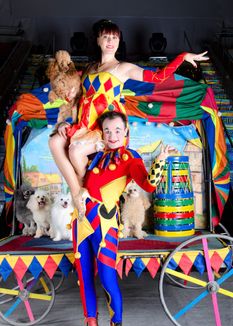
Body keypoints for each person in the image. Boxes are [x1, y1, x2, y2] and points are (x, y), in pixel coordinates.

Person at [48, 19, 209, 214]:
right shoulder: (90, 68)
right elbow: (78, 99)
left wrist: (182, 57)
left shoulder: (123, 68)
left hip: (105, 129)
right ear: (97, 40)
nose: (110, 41)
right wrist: (66, 122)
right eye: (105, 36)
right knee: (55, 142)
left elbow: (157, 78)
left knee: (75, 151)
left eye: (114, 37)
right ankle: (77, 191)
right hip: (83, 124)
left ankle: (87, 193)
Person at [71, 111, 175, 326]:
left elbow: (148, 183)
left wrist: (161, 160)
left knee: (107, 276)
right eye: (107, 130)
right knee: (84, 276)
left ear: (126, 131)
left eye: (118, 130)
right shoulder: (96, 154)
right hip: (80, 222)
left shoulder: (130, 157)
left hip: (104, 224)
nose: (112, 135)